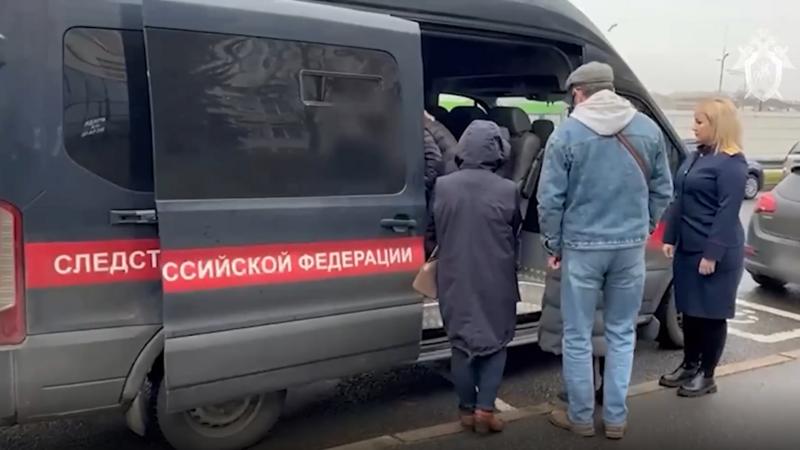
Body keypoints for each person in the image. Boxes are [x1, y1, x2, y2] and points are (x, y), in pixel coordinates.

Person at [537, 61, 673, 439]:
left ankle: (580, 418)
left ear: (580, 93)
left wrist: (553, 244)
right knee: (622, 334)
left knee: (577, 336)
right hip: (629, 249)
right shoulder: (648, 129)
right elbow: (663, 189)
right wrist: (644, 226)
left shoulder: (566, 134)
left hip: (582, 247)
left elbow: (550, 201)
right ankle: (615, 418)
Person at [426, 120, 521, 434]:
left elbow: (430, 231)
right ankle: (485, 410)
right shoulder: (508, 190)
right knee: (496, 343)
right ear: (498, 151)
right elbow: (514, 233)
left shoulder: (443, 186)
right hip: (496, 278)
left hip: (454, 276)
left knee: (460, 344)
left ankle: (466, 410)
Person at [659, 97, 748, 397]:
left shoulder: (732, 163)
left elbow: (727, 212)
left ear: (718, 125)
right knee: (690, 311)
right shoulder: (697, 156)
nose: (693, 127)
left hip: (715, 251)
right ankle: (689, 364)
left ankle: (706, 375)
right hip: (688, 247)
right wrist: (670, 236)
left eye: (699, 122)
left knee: (711, 314)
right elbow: (680, 198)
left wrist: (712, 254)